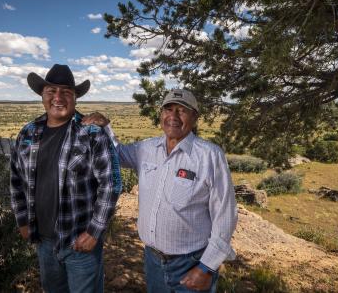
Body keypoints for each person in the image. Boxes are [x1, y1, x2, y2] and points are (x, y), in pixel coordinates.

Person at [83, 89, 237, 293]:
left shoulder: (210, 156)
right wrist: (105, 126)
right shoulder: (146, 148)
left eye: (182, 111)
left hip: (192, 263)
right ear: (161, 114)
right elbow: (116, 154)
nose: (173, 116)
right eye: (168, 109)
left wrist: (206, 267)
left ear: (195, 117)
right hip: (152, 260)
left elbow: (225, 216)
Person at [10, 64, 122, 293]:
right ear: (42, 95)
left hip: (80, 242)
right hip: (43, 240)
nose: (58, 98)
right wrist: (22, 220)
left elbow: (111, 184)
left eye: (66, 92)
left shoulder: (91, 133)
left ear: (75, 99)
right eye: (51, 91)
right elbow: (15, 180)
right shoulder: (28, 132)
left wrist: (94, 232)